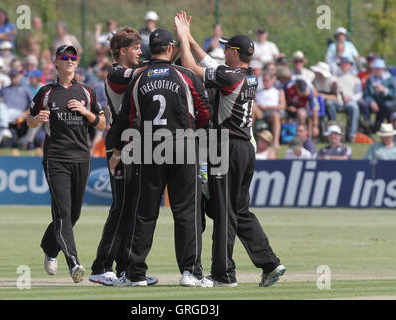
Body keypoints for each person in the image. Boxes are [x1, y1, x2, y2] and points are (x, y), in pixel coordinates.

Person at [175, 11, 285, 287]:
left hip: (227, 148)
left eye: (227, 48)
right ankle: (270, 264)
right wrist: (190, 37)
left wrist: (182, 41)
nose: (223, 51)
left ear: (235, 53)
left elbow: (190, 66)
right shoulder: (248, 75)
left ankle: (224, 274)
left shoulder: (230, 77)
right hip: (245, 148)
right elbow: (209, 62)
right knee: (237, 209)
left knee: (223, 211)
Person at [109, 27, 212, 287]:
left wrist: (118, 151)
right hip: (183, 146)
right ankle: (191, 272)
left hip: (149, 148)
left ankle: (135, 274)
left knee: (144, 213)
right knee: (186, 212)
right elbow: (205, 111)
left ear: (148, 50)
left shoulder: (138, 79)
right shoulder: (185, 75)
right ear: (170, 48)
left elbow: (126, 118)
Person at [27, 45, 106, 283]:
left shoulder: (87, 91)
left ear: (77, 62)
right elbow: (29, 120)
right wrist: (36, 119)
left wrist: (85, 112)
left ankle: (50, 248)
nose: (70, 61)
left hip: (82, 157)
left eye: (73, 57)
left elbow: (101, 123)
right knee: (63, 212)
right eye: (65, 57)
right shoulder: (46, 92)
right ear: (56, 62)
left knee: (73, 215)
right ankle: (74, 264)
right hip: (56, 158)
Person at [89, 27, 158, 286]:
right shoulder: (116, 72)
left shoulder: (132, 70)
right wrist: (161, 63)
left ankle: (126, 269)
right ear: (122, 51)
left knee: (133, 207)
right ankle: (101, 266)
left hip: (137, 142)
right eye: (136, 48)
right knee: (121, 207)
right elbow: (141, 72)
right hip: (121, 143)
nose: (140, 52)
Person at [0, 69, 33, 151]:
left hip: (18, 113)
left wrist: (27, 112)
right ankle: (2, 130)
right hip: (5, 112)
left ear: (19, 77)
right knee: (1, 108)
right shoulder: (3, 89)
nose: (13, 78)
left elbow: (34, 103)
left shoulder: (25, 89)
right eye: (11, 76)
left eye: (15, 76)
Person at [359, 58, 396, 132]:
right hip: (374, 102)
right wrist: (371, 101)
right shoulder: (370, 79)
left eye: (379, 69)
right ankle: (368, 123)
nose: (377, 71)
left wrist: (384, 90)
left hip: (386, 102)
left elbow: (394, 93)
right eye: (375, 69)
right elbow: (366, 94)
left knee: (387, 105)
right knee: (362, 103)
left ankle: (378, 124)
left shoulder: (390, 78)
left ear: (383, 69)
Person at [255, 71, 286, 148]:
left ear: (272, 80)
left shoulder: (278, 91)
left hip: (272, 112)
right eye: (263, 80)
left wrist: (267, 107)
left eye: (267, 80)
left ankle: (275, 142)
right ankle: (250, 138)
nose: (265, 82)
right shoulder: (259, 91)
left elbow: (282, 106)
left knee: (276, 116)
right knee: (252, 108)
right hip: (260, 112)